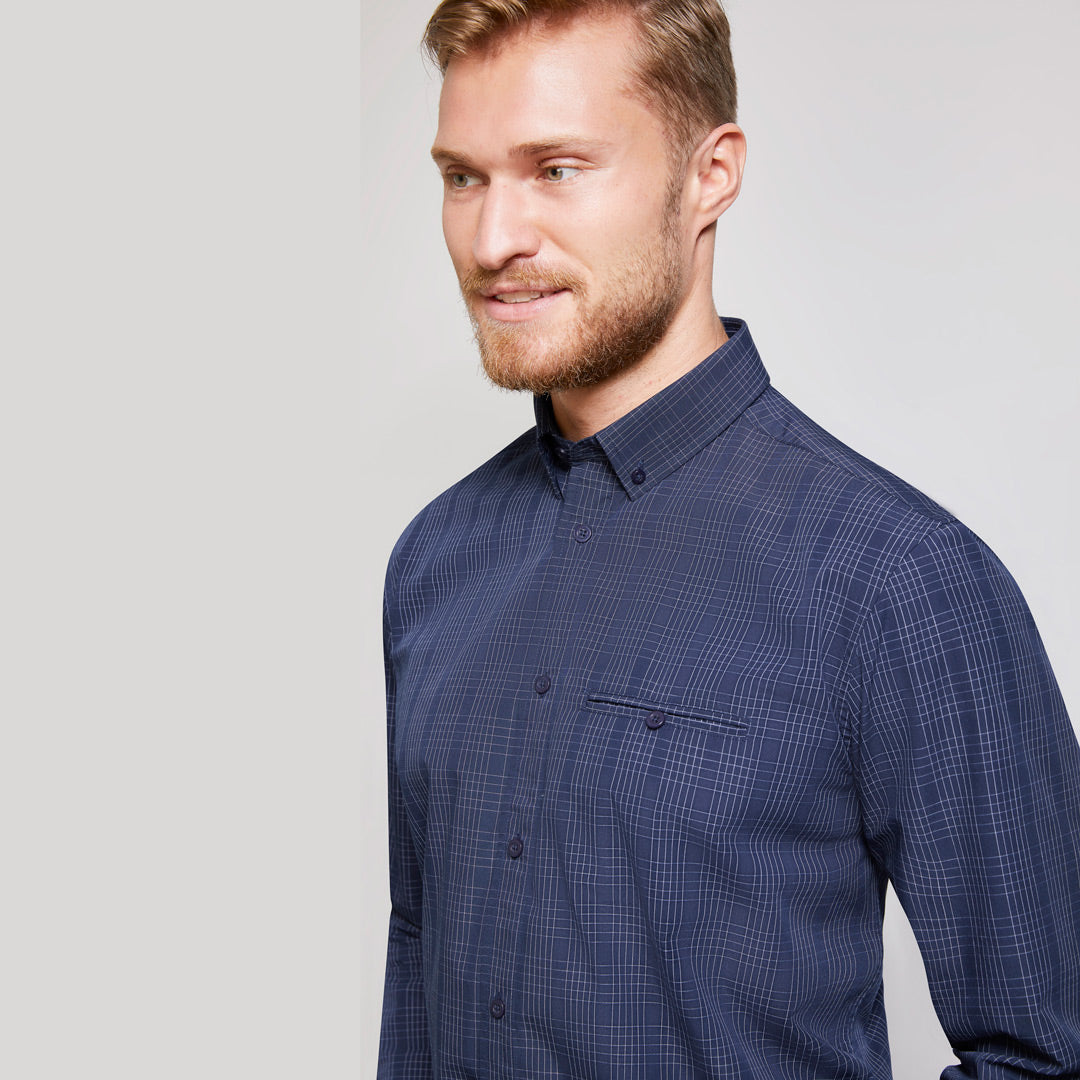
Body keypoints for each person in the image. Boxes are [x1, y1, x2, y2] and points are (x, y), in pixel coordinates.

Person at [377, 0, 1080, 1075]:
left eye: (557, 169)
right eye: (463, 177)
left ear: (712, 173)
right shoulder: (435, 560)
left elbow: (1051, 1050)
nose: (492, 239)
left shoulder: (899, 581)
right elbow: (417, 966)